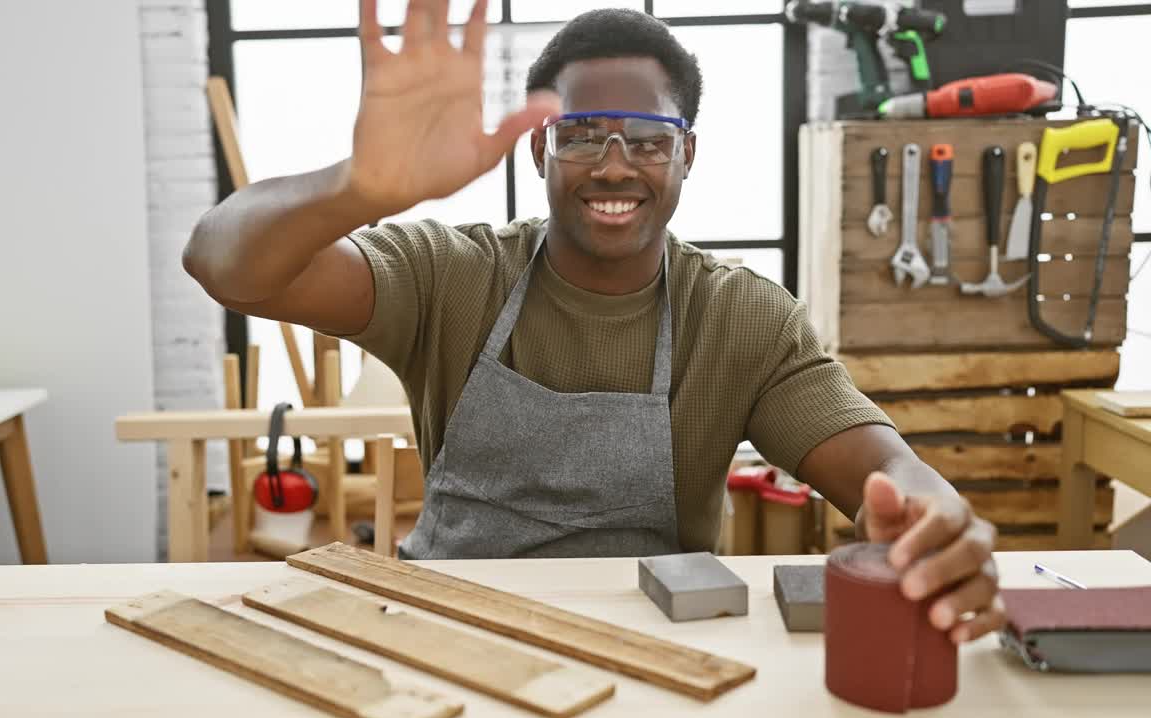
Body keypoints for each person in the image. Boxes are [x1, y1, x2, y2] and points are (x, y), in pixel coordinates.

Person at [183, 0, 1004, 643]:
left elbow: (884, 464)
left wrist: (931, 513)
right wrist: (359, 188)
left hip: (660, 652)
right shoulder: (452, 277)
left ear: (687, 155)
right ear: (539, 152)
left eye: (648, 140)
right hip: (441, 639)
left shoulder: (741, 317)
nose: (614, 164)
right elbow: (222, 263)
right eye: (581, 136)